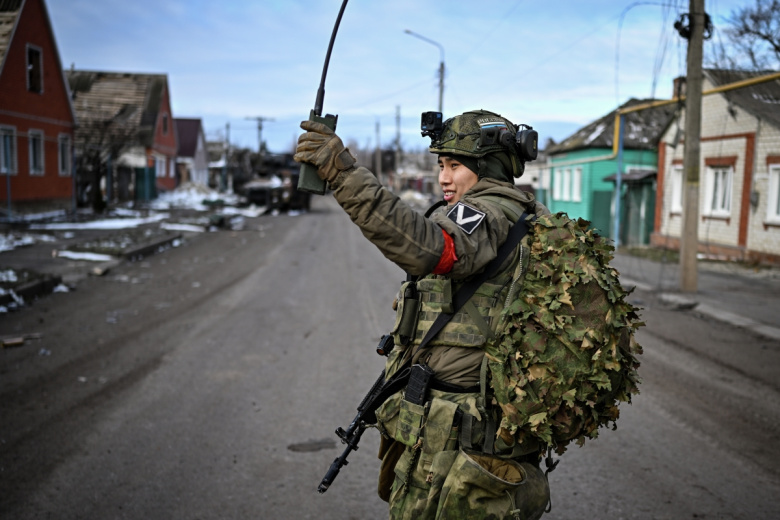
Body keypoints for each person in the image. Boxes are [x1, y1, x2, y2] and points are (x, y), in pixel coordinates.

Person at [295, 110, 552, 520]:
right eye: (441, 166)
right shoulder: (517, 214)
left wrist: (344, 173)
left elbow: (433, 247)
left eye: (455, 166)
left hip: (462, 432)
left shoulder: (490, 213)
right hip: (453, 420)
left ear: (488, 168)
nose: (443, 178)